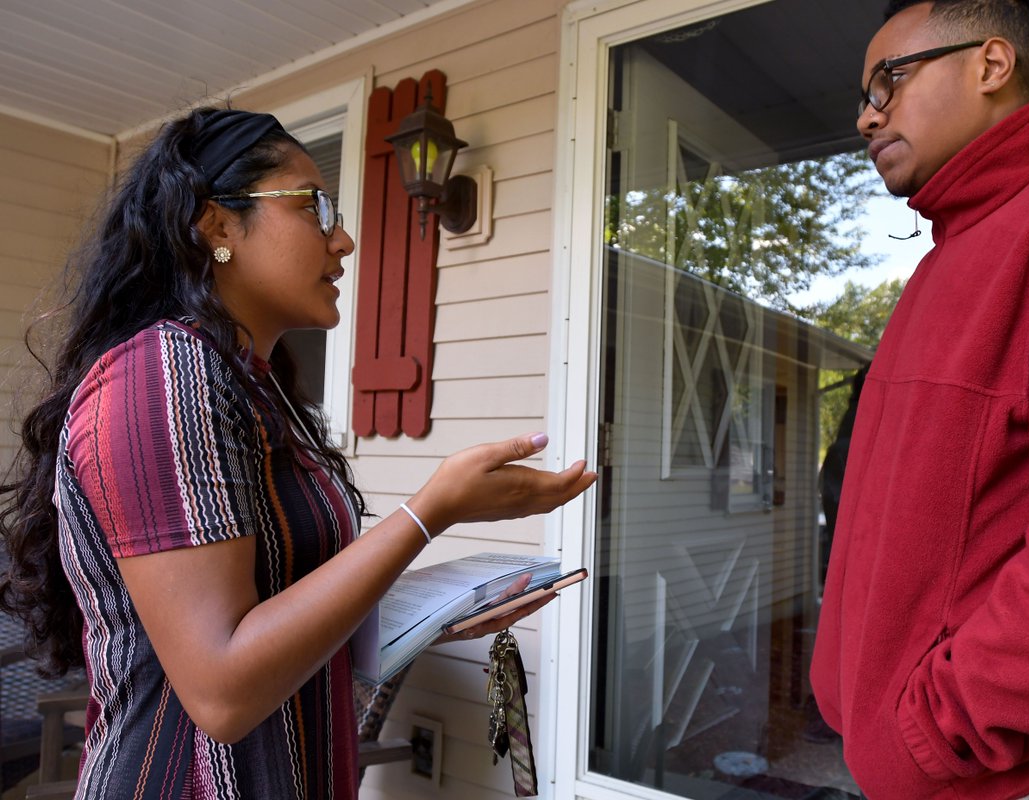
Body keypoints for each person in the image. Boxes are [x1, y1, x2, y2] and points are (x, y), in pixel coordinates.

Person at [0, 106, 596, 799]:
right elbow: (223, 690)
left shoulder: (252, 387)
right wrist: (432, 511)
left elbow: (273, 610)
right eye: (316, 206)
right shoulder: (161, 374)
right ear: (217, 224)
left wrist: (424, 619)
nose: (343, 240)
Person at [810, 2, 1029, 799]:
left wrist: (937, 733)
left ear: (992, 65)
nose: (867, 117)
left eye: (888, 82)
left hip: (995, 778)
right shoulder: (950, 254)